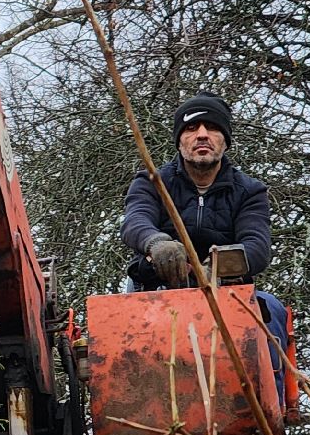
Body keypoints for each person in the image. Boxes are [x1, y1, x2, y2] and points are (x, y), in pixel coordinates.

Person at [121, 92, 291, 401]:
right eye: (191, 128)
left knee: (271, 309)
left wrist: (218, 267)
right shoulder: (150, 182)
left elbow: (257, 245)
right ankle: (130, 404)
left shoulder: (250, 191)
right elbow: (135, 222)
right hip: (157, 290)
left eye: (211, 127)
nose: (202, 135)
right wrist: (158, 243)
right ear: (179, 140)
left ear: (225, 140)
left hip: (227, 294)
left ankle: (269, 408)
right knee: (117, 326)